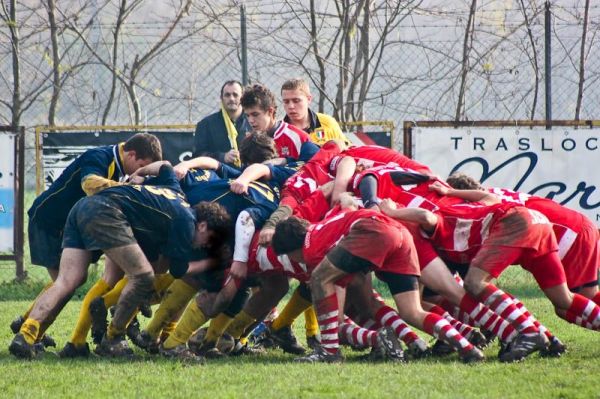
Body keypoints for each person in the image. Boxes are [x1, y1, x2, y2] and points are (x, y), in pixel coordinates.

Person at [9, 163, 230, 359]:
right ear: (203, 225)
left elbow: (165, 166)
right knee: (143, 276)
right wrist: (211, 263)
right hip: (106, 211)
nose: (204, 246)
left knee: (68, 280)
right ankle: (113, 339)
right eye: (208, 240)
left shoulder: (175, 190)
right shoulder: (187, 222)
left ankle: (27, 334)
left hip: (83, 206)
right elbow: (178, 269)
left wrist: (139, 172)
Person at [271, 209, 485, 363]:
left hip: (371, 231)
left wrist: (334, 329)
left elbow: (334, 310)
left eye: (291, 257)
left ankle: (329, 352)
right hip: (397, 232)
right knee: (411, 310)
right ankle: (467, 348)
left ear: (291, 249)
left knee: (319, 280)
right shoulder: (323, 229)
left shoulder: (311, 248)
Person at [11, 133, 162, 348]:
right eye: (140, 166)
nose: (140, 173)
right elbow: (90, 184)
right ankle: (30, 331)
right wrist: (130, 187)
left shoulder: (120, 166)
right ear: (131, 154)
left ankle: (28, 324)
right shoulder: (99, 156)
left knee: (70, 280)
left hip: (77, 223)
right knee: (66, 282)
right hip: (49, 221)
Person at [240, 83, 319, 163]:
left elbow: (313, 169)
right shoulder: (249, 141)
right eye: (247, 115)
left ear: (270, 111)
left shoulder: (298, 138)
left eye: (255, 114)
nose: (250, 120)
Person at [193, 80, 252, 167]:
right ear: (221, 98)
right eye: (227, 95)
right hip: (218, 175)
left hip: (247, 174)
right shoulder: (206, 124)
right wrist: (222, 157)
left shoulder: (252, 122)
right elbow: (198, 156)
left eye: (235, 95)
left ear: (242, 97)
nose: (231, 98)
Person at [281, 78, 350, 146]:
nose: (291, 106)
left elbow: (348, 150)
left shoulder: (327, 123)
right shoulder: (278, 131)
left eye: (296, 101)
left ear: (309, 99)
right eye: (286, 102)